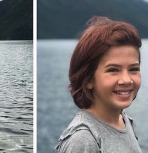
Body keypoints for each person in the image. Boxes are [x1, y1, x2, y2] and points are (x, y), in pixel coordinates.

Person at [56, 16, 143, 153]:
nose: (126, 80)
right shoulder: (83, 140)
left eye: (133, 69)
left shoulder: (125, 121)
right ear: (88, 79)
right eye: (113, 70)